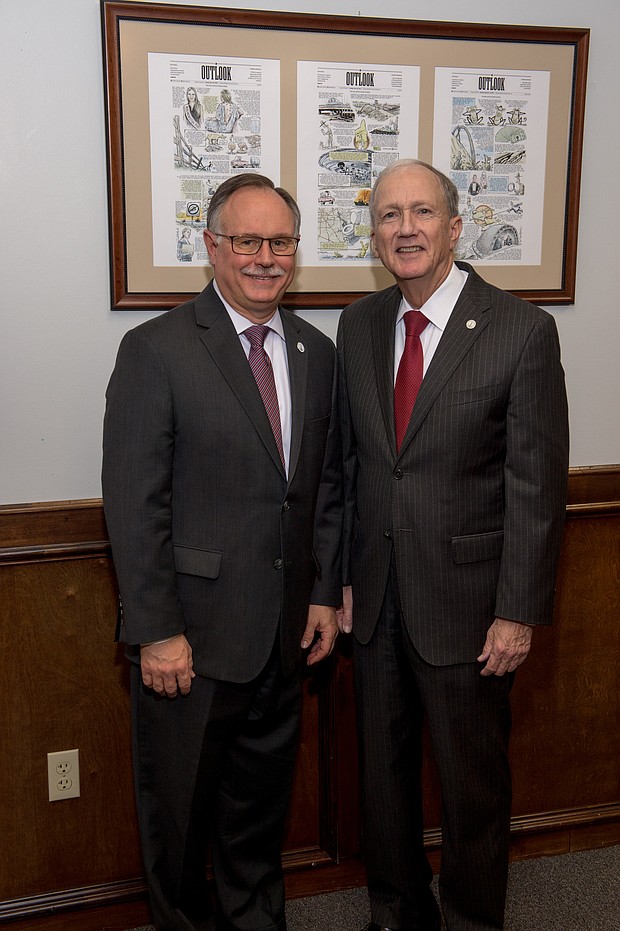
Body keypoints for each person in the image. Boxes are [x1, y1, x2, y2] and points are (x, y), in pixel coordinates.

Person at [102, 173, 342, 931]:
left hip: (283, 637)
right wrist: (156, 630)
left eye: (280, 242)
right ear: (212, 246)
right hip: (192, 641)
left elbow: (325, 486)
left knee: (257, 818)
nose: (265, 257)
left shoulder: (316, 352)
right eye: (248, 240)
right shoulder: (156, 350)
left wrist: (323, 591)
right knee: (178, 823)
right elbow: (135, 506)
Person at [336, 159, 569, 931]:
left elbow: (536, 486)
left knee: (473, 787)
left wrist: (518, 611)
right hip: (374, 602)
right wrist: (338, 579)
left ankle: (472, 919)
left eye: (422, 212)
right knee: (384, 781)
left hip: (471, 609)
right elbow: (351, 464)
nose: (406, 228)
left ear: (456, 225)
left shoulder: (521, 329)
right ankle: (398, 912)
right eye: (389, 215)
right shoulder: (360, 324)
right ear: (375, 235)